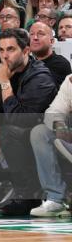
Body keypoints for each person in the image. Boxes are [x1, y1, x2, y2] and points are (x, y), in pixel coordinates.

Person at [0, 28, 58, 215]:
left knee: (10, 131)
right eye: (1, 50)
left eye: (10, 49)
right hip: (6, 133)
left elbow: (21, 119)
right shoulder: (0, 71)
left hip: (33, 136)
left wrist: (5, 84)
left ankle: (28, 196)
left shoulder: (40, 77)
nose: (4, 56)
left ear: (26, 51)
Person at [29, 74, 72, 219]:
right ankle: (56, 199)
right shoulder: (70, 81)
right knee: (40, 132)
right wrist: (59, 125)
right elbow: (53, 111)